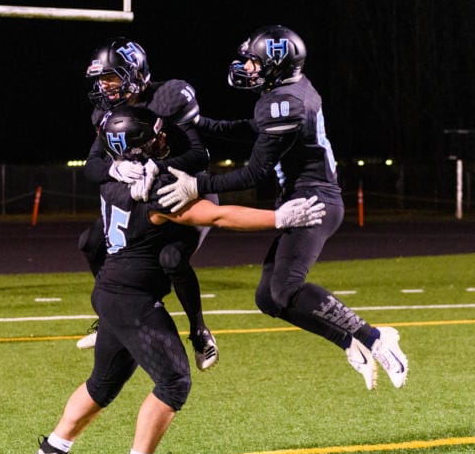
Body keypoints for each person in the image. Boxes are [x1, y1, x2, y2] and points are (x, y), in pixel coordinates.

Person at [31, 106, 325, 454]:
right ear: (133, 152)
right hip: (132, 298)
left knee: (103, 383)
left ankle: (52, 451)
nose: (161, 140)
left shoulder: (114, 180)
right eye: (151, 140)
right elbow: (217, 216)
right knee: (173, 382)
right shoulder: (152, 187)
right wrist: (278, 218)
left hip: (112, 291)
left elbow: (103, 176)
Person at [157, 25, 409, 390]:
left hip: (313, 201)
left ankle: (374, 337)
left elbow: (254, 172)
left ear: (276, 65)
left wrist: (197, 184)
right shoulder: (287, 94)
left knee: (287, 287)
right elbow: (255, 128)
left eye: (255, 62)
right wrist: (202, 124)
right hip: (303, 195)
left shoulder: (285, 103)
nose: (248, 68)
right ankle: (348, 340)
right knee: (268, 298)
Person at [76, 37, 220, 371]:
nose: (104, 86)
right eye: (101, 79)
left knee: (171, 257)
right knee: (91, 242)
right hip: (144, 196)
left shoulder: (169, 98)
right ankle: (111, 316)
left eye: (111, 77)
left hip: (184, 188)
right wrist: (114, 167)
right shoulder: (105, 113)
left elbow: (200, 155)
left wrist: (159, 166)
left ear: (134, 72)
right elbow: (92, 165)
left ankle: (199, 330)